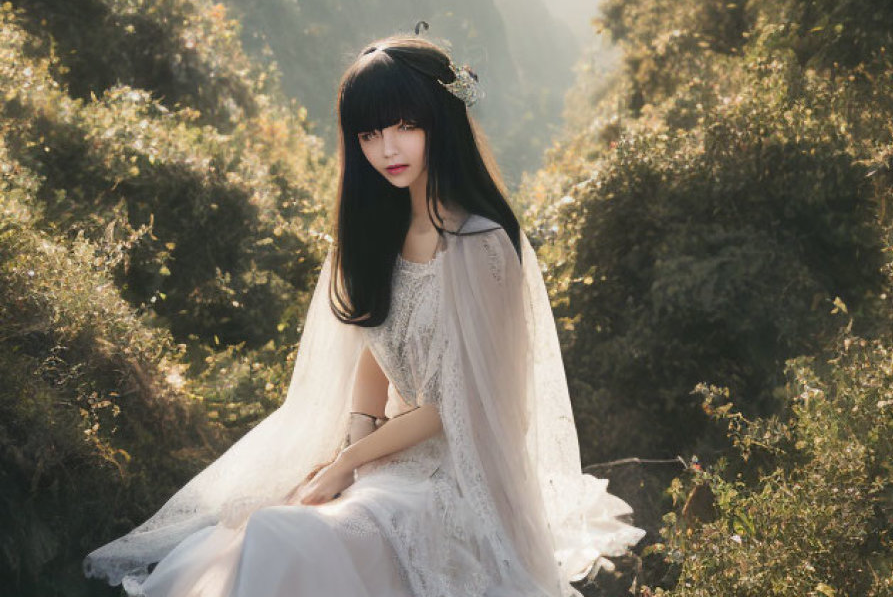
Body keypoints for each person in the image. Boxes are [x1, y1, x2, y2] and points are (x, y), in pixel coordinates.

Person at [83, 33, 645, 597]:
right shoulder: (380, 234)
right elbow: (374, 351)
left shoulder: (480, 244)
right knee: (255, 528)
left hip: (457, 475)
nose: (387, 148)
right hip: (389, 459)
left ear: (439, 120)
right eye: (370, 133)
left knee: (284, 534)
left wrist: (349, 460)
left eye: (404, 124)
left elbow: (459, 404)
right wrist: (351, 456)